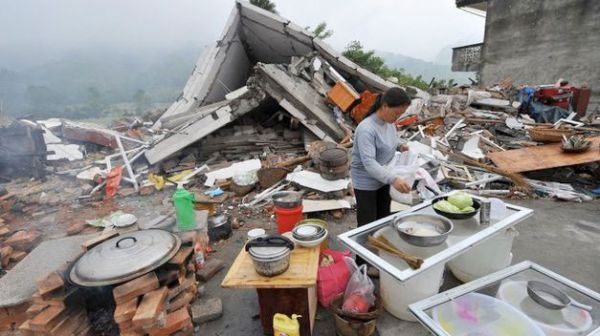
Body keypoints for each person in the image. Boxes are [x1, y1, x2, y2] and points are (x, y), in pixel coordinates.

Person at [351, 87, 412, 266]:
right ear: (384, 106)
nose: (397, 118)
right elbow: (369, 164)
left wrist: (400, 146)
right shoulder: (366, 129)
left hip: (383, 177)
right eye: (396, 113)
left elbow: (389, 141)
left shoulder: (389, 123)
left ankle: (378, 257)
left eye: (401, 114)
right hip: (366, 183)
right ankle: (361, 264)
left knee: (383, 220)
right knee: (366, 226)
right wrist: (394, 179)